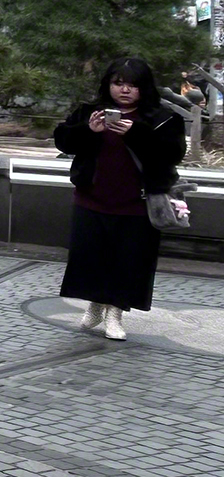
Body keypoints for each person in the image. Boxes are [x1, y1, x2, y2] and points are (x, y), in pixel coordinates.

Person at [54, 58, 185, 341]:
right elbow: (63, 141)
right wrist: (88, 131)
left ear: (144, 87)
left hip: (137, 203)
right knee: (90, 256)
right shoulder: (91, 112)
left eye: (132, 85)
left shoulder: (161, 118)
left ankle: (115, 313)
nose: (124, 90)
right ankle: (95, 305)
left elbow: (172, 154)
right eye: (118, 83)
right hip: (92, 198)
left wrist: (137, 134)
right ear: (108, 84)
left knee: (128, 260)